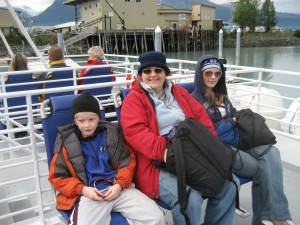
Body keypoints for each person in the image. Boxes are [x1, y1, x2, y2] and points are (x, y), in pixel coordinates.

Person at [120, 51, 238, 225]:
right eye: (147, 71)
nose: (153, 75)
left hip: (192, 152)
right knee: (189, 197)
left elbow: (202, 120)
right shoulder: (134, 99)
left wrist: (211, 147)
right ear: (140, 75)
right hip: (156, 162)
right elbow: (136, 134)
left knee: (229, 183)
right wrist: (168, 151)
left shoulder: (179, 92)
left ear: (166, 73)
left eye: (158, 70)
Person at [191, 55, 294, 225]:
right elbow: (207, 132)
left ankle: (276, 215)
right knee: (261, 168)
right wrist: (231, 121)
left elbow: (233, 115)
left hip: (238, 140)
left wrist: (234, 120)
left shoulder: (221, 96)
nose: (213, 77)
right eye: (208, 73)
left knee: (273, 151)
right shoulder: (195, 100)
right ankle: (265, 219)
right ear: (199, 75)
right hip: (218, 148)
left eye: (217, 74)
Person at [48, 92, 165, 225]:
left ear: (99, 118)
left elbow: (127, 161)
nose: (86, 125)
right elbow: (57, 177)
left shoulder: (112, 134)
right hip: (89, 194)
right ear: (75, 121)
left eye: (91, 119)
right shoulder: (66, 143)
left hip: (118, 189)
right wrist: (83, 190)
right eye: (81, 121)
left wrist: (119, 185)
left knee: (157, 218)